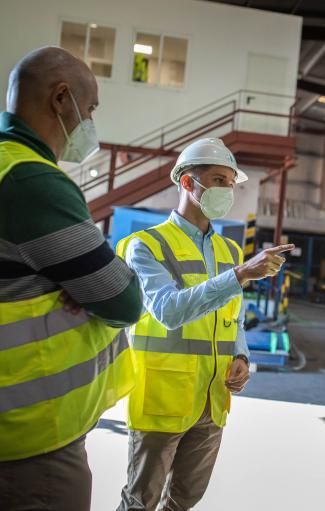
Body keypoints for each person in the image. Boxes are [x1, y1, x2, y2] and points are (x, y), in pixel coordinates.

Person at [116, 137, 293, 511]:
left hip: (212, 399)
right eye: (217, 180)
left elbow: (234, 316)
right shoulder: (147, 246)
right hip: (162, 397)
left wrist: (241, 356)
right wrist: (242, 274)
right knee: (141, 501)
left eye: (231, 182)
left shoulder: (228, 250)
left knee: (184, 499)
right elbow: (168, 310)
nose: (227, 190)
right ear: (186, 183)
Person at [0, 47, 143, 510]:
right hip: (27, 440)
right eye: (91, 108)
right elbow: (123, 300)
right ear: (62, 99)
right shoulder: (30, 182)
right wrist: (89, 278)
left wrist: (77, 277)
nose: (91, 122)